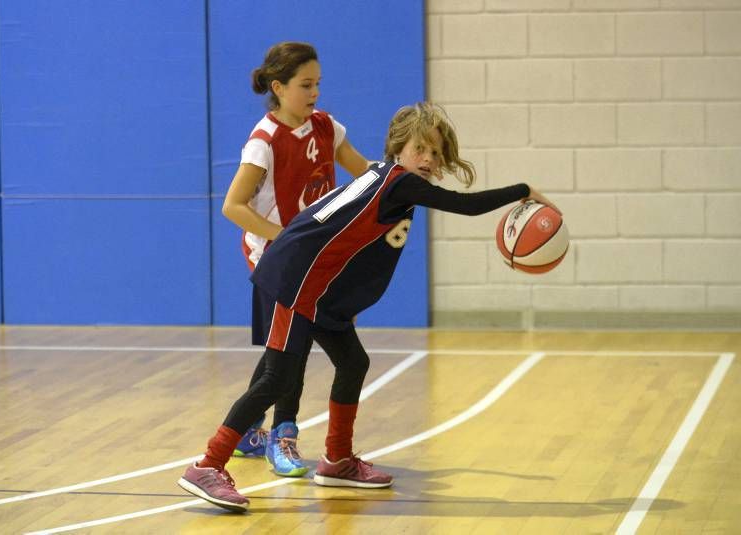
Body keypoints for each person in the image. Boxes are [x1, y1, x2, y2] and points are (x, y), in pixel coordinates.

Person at [178, 102, 560, 512]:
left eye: (435, 153)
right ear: (399, 148)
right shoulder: (400, 183)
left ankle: (337, 460)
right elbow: (465, 206)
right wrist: (522, 191)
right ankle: (208, 464)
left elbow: (347, 245)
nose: (428, 159)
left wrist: (345, 302)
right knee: (277, 379)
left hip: (316, 286)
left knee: (353, 361)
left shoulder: (383, 178)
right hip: (294, 280)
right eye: (421, 149)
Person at [220, 42, 369, 478]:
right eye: (306, 85)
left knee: (282, 349)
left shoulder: (326, 128)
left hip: (315, 259)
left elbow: (364, 174)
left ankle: (250, 430)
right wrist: (288, 238)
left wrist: (396, 187)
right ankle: (281, 439)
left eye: (318, 84)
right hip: (276, 260)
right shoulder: (263, 142)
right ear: (279, 87)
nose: (315, 93)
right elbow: (233, 206)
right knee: (294, 348)